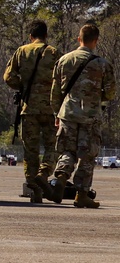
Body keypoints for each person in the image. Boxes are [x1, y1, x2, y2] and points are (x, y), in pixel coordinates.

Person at [47, 23, 116, 208]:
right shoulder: (102, 64)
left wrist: (56, 114)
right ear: (96, 41)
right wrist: (95, 95)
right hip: (90, 116)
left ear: (79, 39)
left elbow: (55, 93)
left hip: (68, 113)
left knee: (67, 150)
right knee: (87, 155)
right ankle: (81, 194)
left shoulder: (63, 60)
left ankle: (61, 179)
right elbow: (110, 93)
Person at [3, 19, 61, 202]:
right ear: (46, 35)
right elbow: (63, 80)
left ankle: (34, 189)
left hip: (28, 108)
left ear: (31, 36)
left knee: (30, 152)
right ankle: (43, 175)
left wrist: (24, 86)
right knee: (54, 147)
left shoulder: (22, 51)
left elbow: (8, 77)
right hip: (51, 109)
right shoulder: (54, 53)